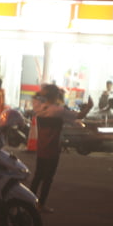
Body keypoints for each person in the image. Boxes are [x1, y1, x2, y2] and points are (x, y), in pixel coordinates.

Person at [29, 84, 81, 213]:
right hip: (52, 151)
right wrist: (89, 106)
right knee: (48, 179)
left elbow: (35, 96)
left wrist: (42, 92)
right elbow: (78, 116)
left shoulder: (38, 107)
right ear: (56, 95)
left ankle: (29, 202)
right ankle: (41, 204)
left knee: (37, 176)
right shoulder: (58, 111)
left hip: (41, 149)